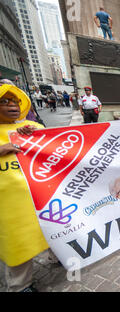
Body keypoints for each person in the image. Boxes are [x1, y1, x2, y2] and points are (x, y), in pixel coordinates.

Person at [0, 84, 58, 292]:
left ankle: (58, 256)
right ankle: (19, 286)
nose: (11, 105)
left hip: (43, 197)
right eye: (4, 101)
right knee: (18, 245)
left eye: (14, 101)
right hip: (10, 208)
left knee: (54, 229)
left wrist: (31, 134)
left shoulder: (32, 129)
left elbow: (58, 148)